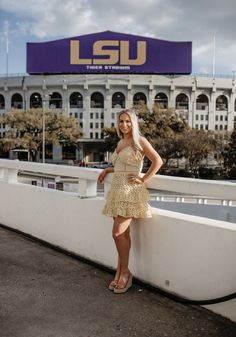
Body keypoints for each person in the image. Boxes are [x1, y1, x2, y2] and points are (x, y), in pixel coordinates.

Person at [98, 108, 163, 294]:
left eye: (127, 121)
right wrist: (108, 170)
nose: (124, 125)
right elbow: (121, 165)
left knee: (117, 234)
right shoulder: (120, 141)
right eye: (121, 121)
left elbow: (157, 161)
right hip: (117, 190)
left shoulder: (140, 141)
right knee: (123, 236)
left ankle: (125, 273)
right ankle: (119, 272)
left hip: (130, 192)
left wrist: (143, 179)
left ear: (133, 123)